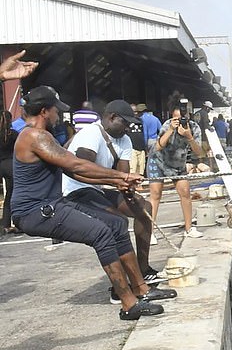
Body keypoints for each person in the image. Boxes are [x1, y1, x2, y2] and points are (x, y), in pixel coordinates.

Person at [11, 86, 174, 321]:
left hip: (52, 205)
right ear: (45, 111)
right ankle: (127, 304)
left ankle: (142, 289)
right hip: (35, 211)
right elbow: (77, 165)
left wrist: (119, 179)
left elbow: (75, 172)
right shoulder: (34, 136)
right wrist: (121, 177)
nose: (60, 116)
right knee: (101, 233)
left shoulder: (43, 137)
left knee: (117, 225)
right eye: (57, 110)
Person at [62, 99, 166, 287]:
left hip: (99, 188)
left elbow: (123, 173)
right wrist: (118, 179)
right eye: (124, 123)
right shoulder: (91, 134)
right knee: (117, 222)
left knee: (145, 208)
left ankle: (143, 269)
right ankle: (121, 285)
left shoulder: (124, 139)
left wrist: (128, 187)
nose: (127, 128)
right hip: (77, 189)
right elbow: (83, 171)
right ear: (111, 117)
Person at [147, 103, 204, 239]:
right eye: (176, 118)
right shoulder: (167, 125)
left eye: (183, 118)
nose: (180, 121)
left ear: (188, 116)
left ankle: (189, 229)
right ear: (172, 117)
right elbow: (159, 146)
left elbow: (199, 153)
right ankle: (150, 232)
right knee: (155, 195)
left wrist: (189, 137)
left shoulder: (194, 128)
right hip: (158, 161)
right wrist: (171, 130)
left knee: (185, 192)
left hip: (178, 164)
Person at [0, 110, 18, 234]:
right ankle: (16, 223)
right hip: (10, 165)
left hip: (1, 164)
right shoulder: (13, 134)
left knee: (8, 196)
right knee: (12, 195)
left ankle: (5, 225)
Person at [128, 104, 147, 176]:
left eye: (136, 111)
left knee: (141, 168)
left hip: (141, 148)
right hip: (132, 148)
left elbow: (144, 133)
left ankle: (139, 185)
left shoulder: (140, 121)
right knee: (133, 168)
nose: (135, 113)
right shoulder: (127, 121)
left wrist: (145, 147)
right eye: (133, 112)